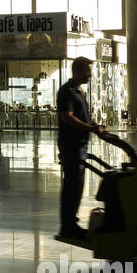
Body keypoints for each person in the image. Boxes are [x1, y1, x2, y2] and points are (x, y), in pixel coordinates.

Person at [56, 55, 107, 241]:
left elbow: (83, 117)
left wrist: (96, 126)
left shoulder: (79, 92)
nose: (90, 75)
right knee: (71, 187)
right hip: (71, 146)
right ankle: (67, 226)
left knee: (77, 187)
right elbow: (67, 117)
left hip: (80, 146)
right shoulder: (67, 92)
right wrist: (91, 128)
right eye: (87, 71)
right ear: (76, 71)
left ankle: (71, 223)